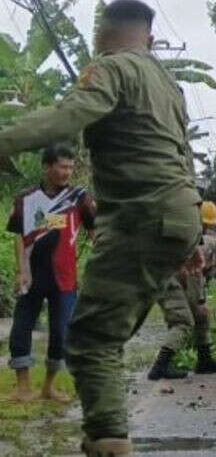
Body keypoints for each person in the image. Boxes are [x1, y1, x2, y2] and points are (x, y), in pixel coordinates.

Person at [0, 0, 203, 457]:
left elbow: (67, 118)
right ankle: (102, 438)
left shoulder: (109, 68)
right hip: (176, 211)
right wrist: (189, 232)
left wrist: (5, 141)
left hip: (141, 214)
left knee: (91, 338)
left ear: (99, 35)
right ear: (149, 39)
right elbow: (181, 156)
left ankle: (110, 442)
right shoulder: (167, 82)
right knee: (107, 331)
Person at [6, 144, 95, 402]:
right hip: (32, 275)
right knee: (21, 327)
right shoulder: (26, 199)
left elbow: (94, 231)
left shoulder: (80, 198)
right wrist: (22, 270)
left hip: (65, 278)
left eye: (70, 167)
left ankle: (48, 386)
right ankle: (22, 387)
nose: (68, 172)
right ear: (47, 167)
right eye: (62, 166)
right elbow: (19, 237)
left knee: (61, 332)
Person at [147, 201, 216, 380]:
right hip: (169, 277)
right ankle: (160, 366)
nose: (207, 228)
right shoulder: (202, 241)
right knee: (183, 321)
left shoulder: (196, 234)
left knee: (201, 316)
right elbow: (195, 273)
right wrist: (200, 300)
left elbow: (207, 274)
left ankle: (204, 360)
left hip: (171, 276)